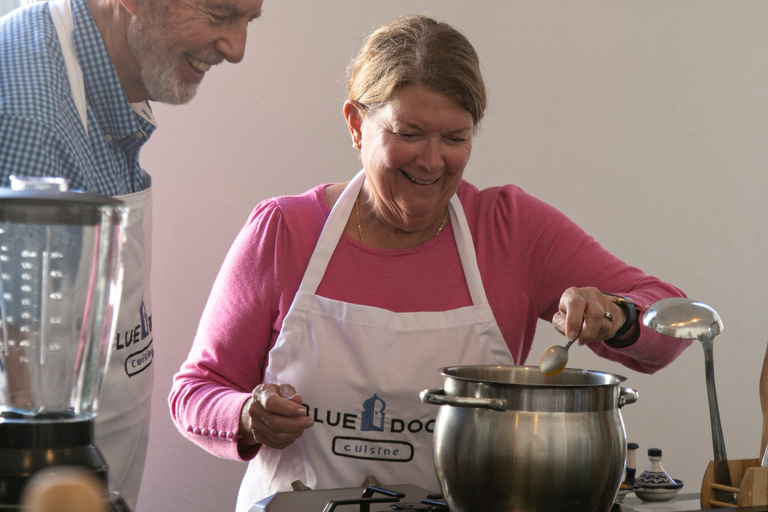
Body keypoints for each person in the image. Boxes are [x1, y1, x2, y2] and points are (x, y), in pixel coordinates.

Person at [169, 14, 693, 511]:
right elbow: (195, 391)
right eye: (409, 133)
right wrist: (244, 416)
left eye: (456, 138)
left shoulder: (510, 231)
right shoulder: (284, 232)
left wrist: (619, 316)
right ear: (356, 124)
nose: (432, 160)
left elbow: (671, 319)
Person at [0, 0, 264, 509]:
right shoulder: (29, 113)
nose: (236, 49)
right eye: (219, 14)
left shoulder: (106, 91)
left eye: (247, 20)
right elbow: (16, 369)